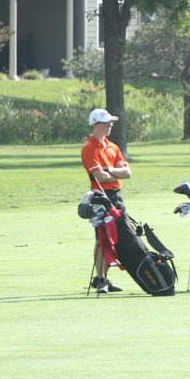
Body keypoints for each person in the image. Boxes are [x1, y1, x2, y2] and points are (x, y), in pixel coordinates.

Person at [80, 108, 131, 293]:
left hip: (116, 196)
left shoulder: (113, 147)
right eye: (106, 123)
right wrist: (114, 173)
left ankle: (103, 278)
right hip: (100, 197)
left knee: (113, 239)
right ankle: (101, 280)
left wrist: (109, 171)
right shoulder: (88, 148)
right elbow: (99, 177)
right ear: (95, 124)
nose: (110, 126)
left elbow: (127, 173)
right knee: (102, 239)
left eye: (110, 122)